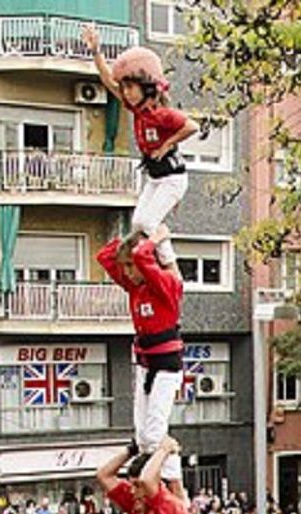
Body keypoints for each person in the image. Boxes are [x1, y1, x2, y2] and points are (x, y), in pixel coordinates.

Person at [85, 32, 194, 244]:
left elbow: (192, 126)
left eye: (130, 87)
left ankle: (169, 268)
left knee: (149, 223)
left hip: (172, 178)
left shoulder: (162, 113)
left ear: (147, 87)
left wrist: (166, 145)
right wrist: (96, 52)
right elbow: (108, 81)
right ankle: (153, 262)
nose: (126, 93)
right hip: (155, 176)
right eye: (124, 88)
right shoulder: (136, 110)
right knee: (137, 224)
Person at [94, 236, 187, 483]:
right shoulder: (135, 288)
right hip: (146, 363)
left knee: (156, 430)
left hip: (167, 365)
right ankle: (154, 477)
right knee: (143, 435)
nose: (127, 272)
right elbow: (104, 256)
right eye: (124, 266)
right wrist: (133, 232)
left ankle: (175, 486)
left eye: (130, 265)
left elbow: (145, 258)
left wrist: (154, 238)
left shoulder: (165, 285)